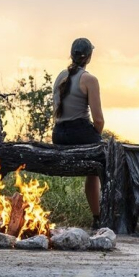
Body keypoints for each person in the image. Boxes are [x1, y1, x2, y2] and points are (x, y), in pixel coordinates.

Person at [51, 37, 105, 229]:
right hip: (79, 132)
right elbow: (98, 120)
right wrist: (96, 138)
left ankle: (99, 216)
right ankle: (99, 216)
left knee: (97, 159)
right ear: (89, 56)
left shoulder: (60, 76)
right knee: (103, 160)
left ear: (71, 54)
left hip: (58, 134)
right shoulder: (89, 79)